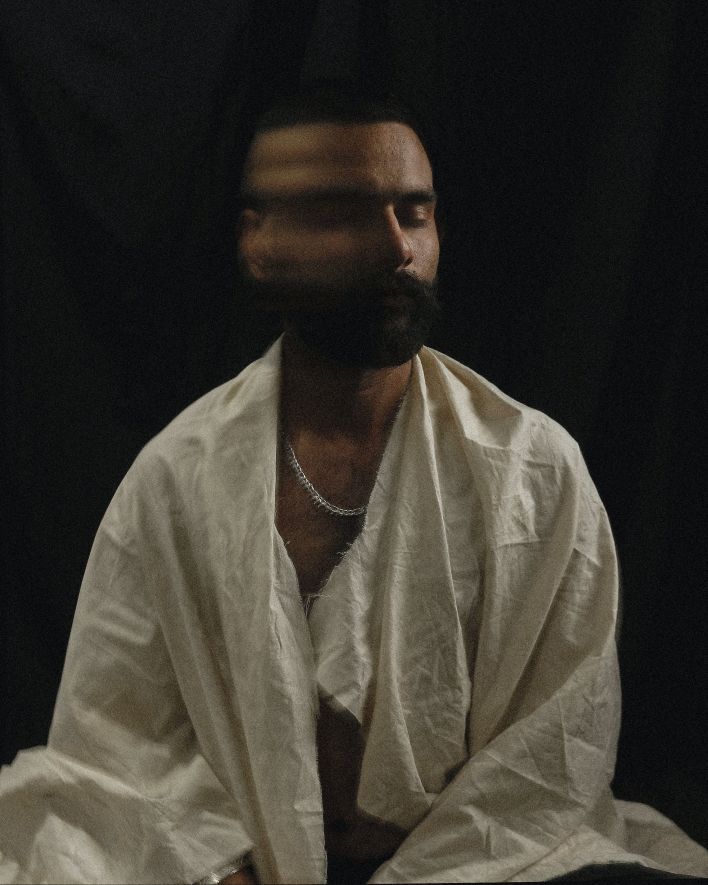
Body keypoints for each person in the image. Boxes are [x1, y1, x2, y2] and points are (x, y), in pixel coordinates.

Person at [0, 84, 706, 885]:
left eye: (415, 212)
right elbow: (116, 740)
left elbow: (554, 751)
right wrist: (213, 870)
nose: (397, 247)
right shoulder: (178, 474)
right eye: (345, 214)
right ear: (258, 241)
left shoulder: (530, 465)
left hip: (489, 864)